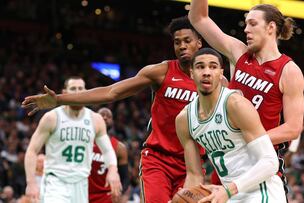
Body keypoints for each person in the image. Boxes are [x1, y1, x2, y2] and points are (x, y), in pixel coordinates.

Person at [22, 17, 204, 202]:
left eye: (187, 41)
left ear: (199, 43)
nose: (182, 46)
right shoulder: (161, 72)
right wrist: (60, 100)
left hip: (193, 163)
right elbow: (111, 92)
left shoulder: (215, 81)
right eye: (177, 42)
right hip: (159, 159)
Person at [189, 1, 304, 192]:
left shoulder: (289, 71)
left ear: (271, 28)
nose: (246, 30)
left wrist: (248, 141)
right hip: (227, 163)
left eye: (252, 24)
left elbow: (293, 128)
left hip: (259, 164)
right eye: (246, 24)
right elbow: (199, 18)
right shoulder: (239, 53)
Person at [176, 48, 286, 202]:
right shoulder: (184, 119)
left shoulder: (235, 105)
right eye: (200, 66)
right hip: (231, 195)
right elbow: (194, 175)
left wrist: (229, 190)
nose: (207, 72)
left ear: (221, 73)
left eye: (213, 67)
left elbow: (270, 162)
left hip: (262, 192)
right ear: (191, 73)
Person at [24, 77, 121, 203]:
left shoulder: (96, 120)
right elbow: (32, 151)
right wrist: (31, 183)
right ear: (64, 93)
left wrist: (113, 170)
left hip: (81, 183)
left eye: (80, 88)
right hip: (56, 182)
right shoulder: (51, 117)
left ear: (86, 91)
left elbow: (107, 151)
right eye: (73, 89)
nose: (77, 92)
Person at [89, 107, 129, 203]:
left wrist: (119, 194)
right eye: (102, 115)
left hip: (105, 197)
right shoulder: (84, 141)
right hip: (82, 193)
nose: (105, 117)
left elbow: (125, 178)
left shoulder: (120, 148)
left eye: (109, 116)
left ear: (113, 121)